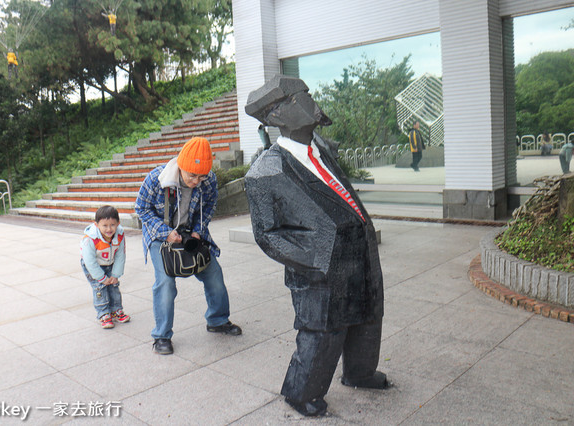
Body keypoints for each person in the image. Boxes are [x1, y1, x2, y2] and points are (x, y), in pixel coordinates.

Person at [244, 75, 388, 417]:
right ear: (277, 117)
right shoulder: (266, 172)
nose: (310, 101)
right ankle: (301, 391)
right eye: (299, 97)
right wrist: (318, 259)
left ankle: (359, 372)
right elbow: (268, 235)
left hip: (361, 253)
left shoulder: (323, 150)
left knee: (368, 316)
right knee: (323, 331)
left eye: (306, 93)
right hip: (319, 270)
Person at [135, 136, 242, 356]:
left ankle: (218, 320)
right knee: (165, 283)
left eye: (201, 177)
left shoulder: (208, 180)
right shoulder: (157, 178)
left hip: (190, 232)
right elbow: (141, 209)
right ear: (181, 166)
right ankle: (162, 336)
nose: (196, 181)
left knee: (214, 274)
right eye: (192, 175)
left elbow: (211, 204)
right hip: (160, 235)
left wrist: (198, 230)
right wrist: (166, 233)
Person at [80, 205, 130, 329]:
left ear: (118, 223)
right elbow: (89, 261)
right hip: (93, 265)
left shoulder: (119, 234)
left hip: (110, 261)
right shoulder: (90, 239)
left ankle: (116, 310)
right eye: (105, 225)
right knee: (100, 288)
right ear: (96, 224)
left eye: (112, 225)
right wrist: (101, 277)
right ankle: (103, 313)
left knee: (113, 285)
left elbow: (120, 254)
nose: (109, 229)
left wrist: (115, 274)